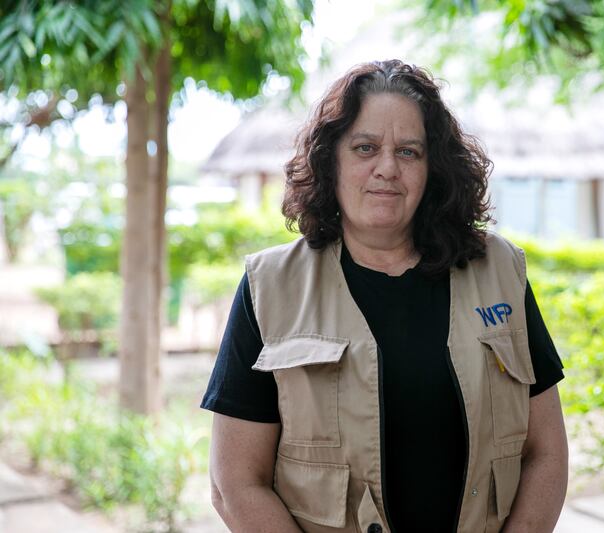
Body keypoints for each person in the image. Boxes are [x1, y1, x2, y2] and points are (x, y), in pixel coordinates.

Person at [201, 59, 568, 533]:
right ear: (331, 160)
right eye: (365, 148)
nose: (387, 168)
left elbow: (547, 453)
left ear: (433, 166)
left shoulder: (500, 271)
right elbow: (234, 484)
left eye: (409, 151)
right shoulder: (270, 285)